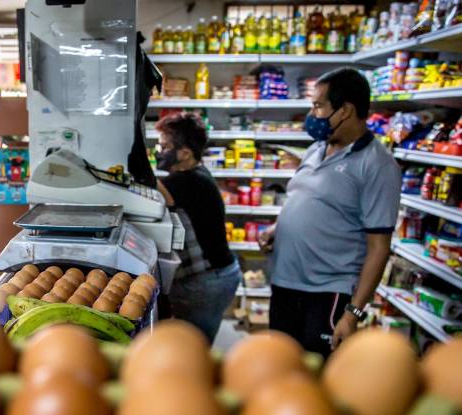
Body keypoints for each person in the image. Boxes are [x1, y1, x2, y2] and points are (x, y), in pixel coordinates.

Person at [259, 67, 401, 357]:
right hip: (286, 282)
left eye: (318, 105)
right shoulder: (316, 149)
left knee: (319, 379)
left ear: (345, 110)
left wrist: (352, 315)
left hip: (328, 292)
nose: (312, 114)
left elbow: (378, 248)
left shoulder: (377, 165)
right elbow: (306, 200)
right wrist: (277, 230)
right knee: (282, 366)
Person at [155, 112, 241, 344]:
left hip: (208, 281)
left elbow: (148, 187)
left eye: (164, 147)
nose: (159, 152)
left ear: (184, 153)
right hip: (214, 276)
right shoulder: (193, 175)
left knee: (194, 348)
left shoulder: (190, 181)